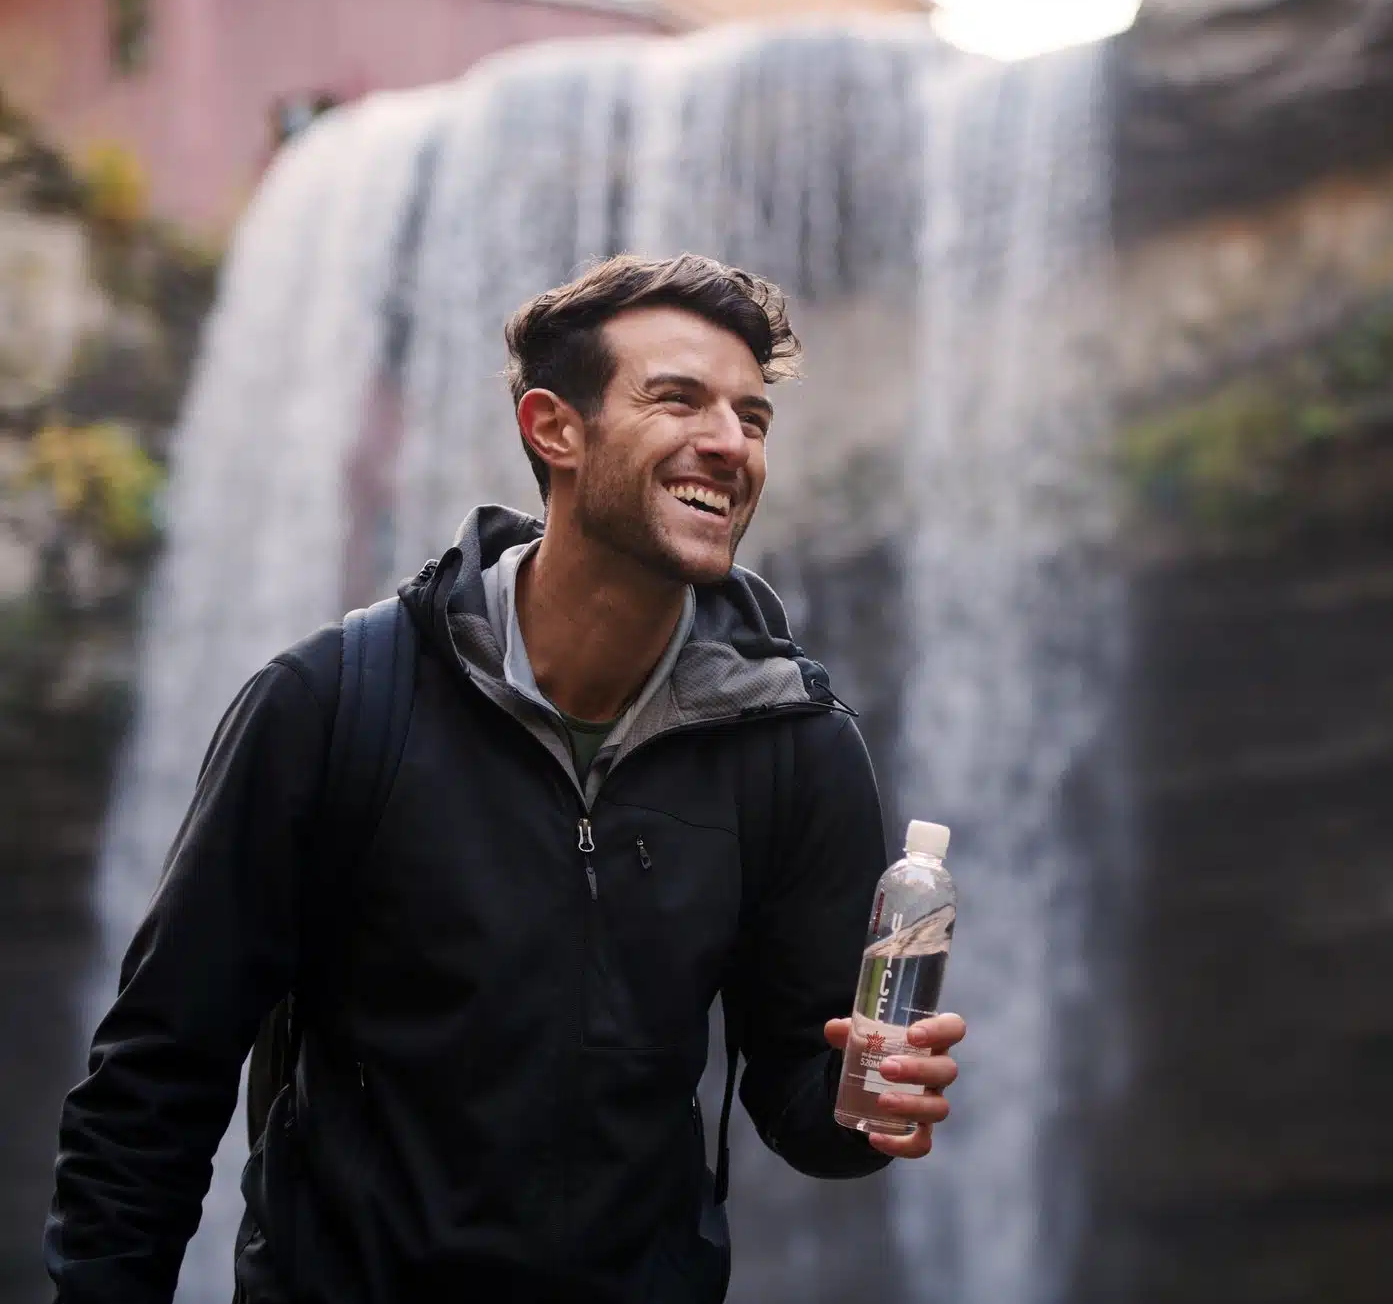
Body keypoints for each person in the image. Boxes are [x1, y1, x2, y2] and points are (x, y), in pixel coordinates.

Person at [45, 253, 966, 1303]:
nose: (727, 442)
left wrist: (863, 1103)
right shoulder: (333, 706)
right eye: (677, 400)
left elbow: (806, 1112)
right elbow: (152, 1082)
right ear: (552, 429)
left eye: (751, 419)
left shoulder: (794, 746)